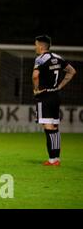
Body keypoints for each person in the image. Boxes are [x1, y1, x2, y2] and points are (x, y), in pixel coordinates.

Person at [32, 35, 76, 166]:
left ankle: (52, 159)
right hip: (55, 95)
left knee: (48, 126)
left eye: (35, 45)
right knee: (55, 127)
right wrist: (60, 86)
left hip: (44, 95)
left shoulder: (40, 59)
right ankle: (56, 157)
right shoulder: (58, 57)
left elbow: (35, 76)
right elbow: (72, 71)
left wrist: (36, 89)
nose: (35, 47)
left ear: (40, 46)